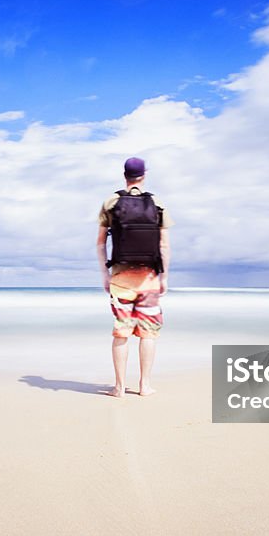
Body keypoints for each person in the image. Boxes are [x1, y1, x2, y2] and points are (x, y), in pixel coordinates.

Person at [96, 157, 173, 397]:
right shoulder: (158, 204)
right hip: (148, 279)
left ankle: (119, 387)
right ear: (144, 175)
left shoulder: (111, 203)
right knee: (148, 333)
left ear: (125, 175)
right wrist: (164, 277)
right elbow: (164, 246)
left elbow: (100, 244)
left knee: (122, 332)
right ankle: (144, 385)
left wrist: (105, 275)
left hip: (120, 279)